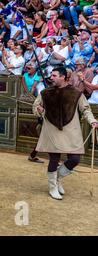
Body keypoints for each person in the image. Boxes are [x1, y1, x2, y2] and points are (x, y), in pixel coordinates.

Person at [33, 66, 98, 200]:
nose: (51, 77)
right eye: (51, 75)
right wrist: (39, 109)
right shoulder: (44, 92)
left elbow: (85, 109)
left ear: (63, 77)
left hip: (71, 130)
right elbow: (35, 105)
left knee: (75, 159)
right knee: (54, 159)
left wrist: (92, 121)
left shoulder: (76, 93)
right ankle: (52, 187)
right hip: (51, 129)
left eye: (54, 75)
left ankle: (57, 179)